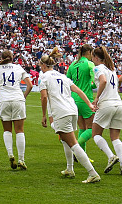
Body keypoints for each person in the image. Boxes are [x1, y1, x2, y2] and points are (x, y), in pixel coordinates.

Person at [39, 47, 101, 184]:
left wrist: (44, 115)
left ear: (43, 65)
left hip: (62, 112)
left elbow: (43, 98)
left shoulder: (43, 77)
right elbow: (78, 90)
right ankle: (69, 169)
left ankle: (93, 173)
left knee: (72, 143)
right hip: (72, 110)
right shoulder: (62, 76)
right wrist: (89, 104)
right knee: (64, 140)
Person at [0, 49, 32, 170]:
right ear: (12, 58)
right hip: (17, 98)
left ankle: (10, 154)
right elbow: (30, 85)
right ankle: (21, 159)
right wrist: (23, 97)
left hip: (4, 99)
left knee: (7, 130)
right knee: (20, 131)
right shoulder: (18, 68)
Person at [90, 46, 122, 175]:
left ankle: (111, 156)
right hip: (118, 104)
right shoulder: (112, 69)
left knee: (96, 134)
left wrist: (96, 98)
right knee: (115, 137)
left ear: (96, 57)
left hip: (106, 104)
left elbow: (103, 81)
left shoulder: (98, 68)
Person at [67, 43, 97, 147]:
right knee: (92, 128)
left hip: (74, 99)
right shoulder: (89, 64)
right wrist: (90, 86)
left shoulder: (73, 65)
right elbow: (95, 82)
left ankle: (81, 155)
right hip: (85, 99)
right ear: (89, 53)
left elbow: (67, 81)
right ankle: (76, 147)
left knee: (82, 128)